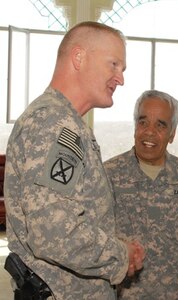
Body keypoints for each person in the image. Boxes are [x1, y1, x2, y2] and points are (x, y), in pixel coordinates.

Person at [4, 21, 144, 299]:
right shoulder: (54, 124)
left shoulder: (65, 122)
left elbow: (71, 216)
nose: (121, 79)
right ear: (78, 58)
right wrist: (120, 256)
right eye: (114, 65)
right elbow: (53, 234)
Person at [104, 90, 178, 299]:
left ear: (172, 134)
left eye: (160, 125)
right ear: (135, 127)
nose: (149, 132)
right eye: (143, 122)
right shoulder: (108, 175)